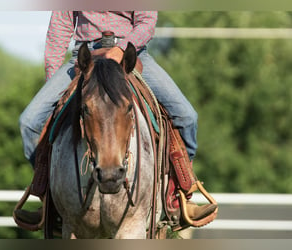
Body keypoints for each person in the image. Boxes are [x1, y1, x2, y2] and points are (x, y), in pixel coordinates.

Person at [15, 11, 217, 229]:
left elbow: (146, 21)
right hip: (84, 57)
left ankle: (179, 196)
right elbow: (59, 28)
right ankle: (48, 197)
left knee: (186, 116)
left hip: (130, 55)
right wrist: (53, 83)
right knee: (30, 121)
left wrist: (121, 48)